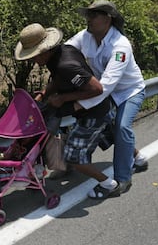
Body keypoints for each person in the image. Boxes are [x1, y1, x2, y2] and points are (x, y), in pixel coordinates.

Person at [14, 23, 119, 199]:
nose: (33, 61)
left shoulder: (65, 64)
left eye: (33, 57)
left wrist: (62, 98)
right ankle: (133, 156)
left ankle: (109, 184)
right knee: (90, 139)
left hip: (94, 112)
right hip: (87, 110)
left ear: (44, 51)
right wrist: (46, 93)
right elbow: (58, 79)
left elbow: (97, 89)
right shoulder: (58, 56)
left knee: (74, 157)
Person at [65, 0, 147, 196]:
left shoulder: (120, 46)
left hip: (128, 91)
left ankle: (123, 179)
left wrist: (78, 104)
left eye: (94, 15)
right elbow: (66, 50)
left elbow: (107, 85)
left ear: (107, 19)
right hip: (103, 90)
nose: (89, 19)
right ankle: (139, 158)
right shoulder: (86, 36)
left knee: (121, 126)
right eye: (88, 15)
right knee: (106, 123)